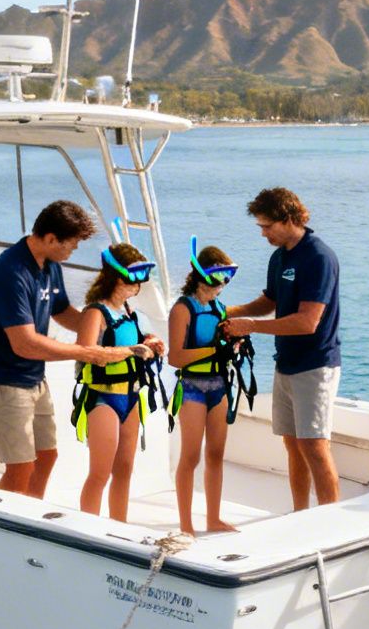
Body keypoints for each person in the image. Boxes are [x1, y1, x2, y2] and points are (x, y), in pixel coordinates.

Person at [0, 200, 153, 498]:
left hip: (33, 378)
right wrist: (87, 352)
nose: (74, 251)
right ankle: (0, 521)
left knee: (47, 457)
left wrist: (112, 327)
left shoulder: (50, 265)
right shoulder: (10, 271)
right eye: (72, 244)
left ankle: (31, 517)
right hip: (3, 379)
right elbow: (25, 343)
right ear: (51, 238)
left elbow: (63, 312)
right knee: (20, 468)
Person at [223, 187, 342, 510]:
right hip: (285, 363)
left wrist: (251, 327)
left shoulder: (318, 257)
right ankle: (300, 514)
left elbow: (307, 322)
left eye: (267, 226)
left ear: (288, 219)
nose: (263, 234)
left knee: (315, 447)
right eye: (260, 227)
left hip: (315, 365)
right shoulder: (279, 256)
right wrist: (229, 312)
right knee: (293, 446)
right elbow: (270, 301)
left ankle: (334, 522)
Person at [74, 243, 165, 520]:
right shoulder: (95, 313)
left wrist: (148, 342)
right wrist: (133, 350)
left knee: (124, 470)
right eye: (131, 279)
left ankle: (119, 527)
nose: (137, 286)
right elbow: (87, 352)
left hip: (132, 397)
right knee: (100, 473)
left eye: (140, 280)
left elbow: (132, 342)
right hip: (103, 398)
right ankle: (87, 530)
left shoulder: (128, 311)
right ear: (114, 276)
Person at [167, 239, 245, 534]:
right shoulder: (182, 309)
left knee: (215, 454)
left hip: (219, 386)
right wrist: (215, 350)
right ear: (203, 276)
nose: (222, 286)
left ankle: (213, 518)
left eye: (226, 280)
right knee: (191, 456)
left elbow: (224, 346)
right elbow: (176, 357)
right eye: (218, 279)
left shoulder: (219, 308)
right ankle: (186, 524)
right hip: (192, 388)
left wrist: (233, 346)